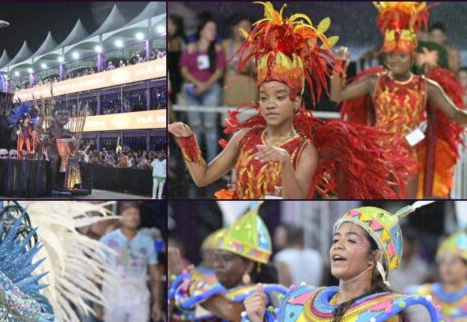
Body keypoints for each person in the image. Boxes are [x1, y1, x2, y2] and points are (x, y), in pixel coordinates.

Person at [169, 2, 405, 200]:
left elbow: (297, 200)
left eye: (279, 97)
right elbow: (202, 178)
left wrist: (284, 162)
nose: (269, 104)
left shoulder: (304, 150)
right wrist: (187, 141)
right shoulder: (245, 137)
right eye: (263, 97)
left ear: (295, 101)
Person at [227, 202, 441, 322]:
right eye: (336, 239)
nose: (337, 246)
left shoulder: (385, 317)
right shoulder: (312, 302)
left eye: (351, 240)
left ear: (374, 257)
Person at [332, 2, 467, 198]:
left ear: (412, 57)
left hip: (407, 157)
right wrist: (338, 67)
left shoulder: (427, 86)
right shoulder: (373, 82)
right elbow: (337, 95)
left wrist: (412, 140)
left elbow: (454, 114)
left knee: (405, 205)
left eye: (401, 55)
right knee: (377, 205)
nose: (395, 60)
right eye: (391, 55)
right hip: (377, 158)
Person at [168, 204, 285, 322]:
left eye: (226, 259)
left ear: (248, 265)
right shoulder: (213, 293)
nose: (217, 264)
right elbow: (177, 318)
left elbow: (229, 309)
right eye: (216, 258)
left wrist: (186, 284)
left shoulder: (260, 294)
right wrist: (175, 287)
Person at [179, 12, 226, 162]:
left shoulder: (217, 49)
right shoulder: (190, 48)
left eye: (215, 29)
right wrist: (198, 84)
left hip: (211, 89)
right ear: (201, 30)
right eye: (210, 28)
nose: (214, 32)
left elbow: (219, 71)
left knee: (210, 127)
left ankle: (212, 163)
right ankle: (195, 163)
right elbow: (184, 70)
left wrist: (205, 85)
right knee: (195, 128)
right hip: (193, 89)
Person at [221, 15, 257, 107]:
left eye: (249, 27)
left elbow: (259, 71)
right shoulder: (224, 45)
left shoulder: (255, 47)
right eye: (244, 27)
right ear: (234, 28)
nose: (247, 30)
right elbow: (219, 67)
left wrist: (251, 69)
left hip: (249, 91)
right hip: (230, 91)